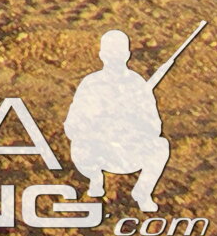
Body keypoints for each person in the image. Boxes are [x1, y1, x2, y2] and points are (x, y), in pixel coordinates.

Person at [65, 29, 172, 212]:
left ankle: (143, 192)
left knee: (161, 145)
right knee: (79, 145)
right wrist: (98, 127)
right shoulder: (91, 83)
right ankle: (95, 178)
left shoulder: (137, 84)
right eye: (110, 54)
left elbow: (154, 126)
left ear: (127, 55)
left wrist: (130, 126)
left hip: (128, 152)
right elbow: (72, 125)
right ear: (102, 55)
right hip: (97, 152)